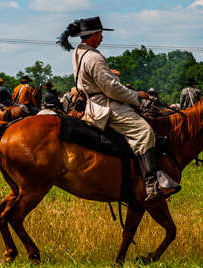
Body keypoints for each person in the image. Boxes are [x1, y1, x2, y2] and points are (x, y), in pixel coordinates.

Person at [57, 16, 179, 201]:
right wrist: (138, 98)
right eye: (100, 34)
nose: (102, 38)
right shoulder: (94, 57)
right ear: (93, 35)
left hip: (92, 103)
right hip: (105, 106)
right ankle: (151, 184)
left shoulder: (78, 53)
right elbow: (112, 89)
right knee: (145, 132)